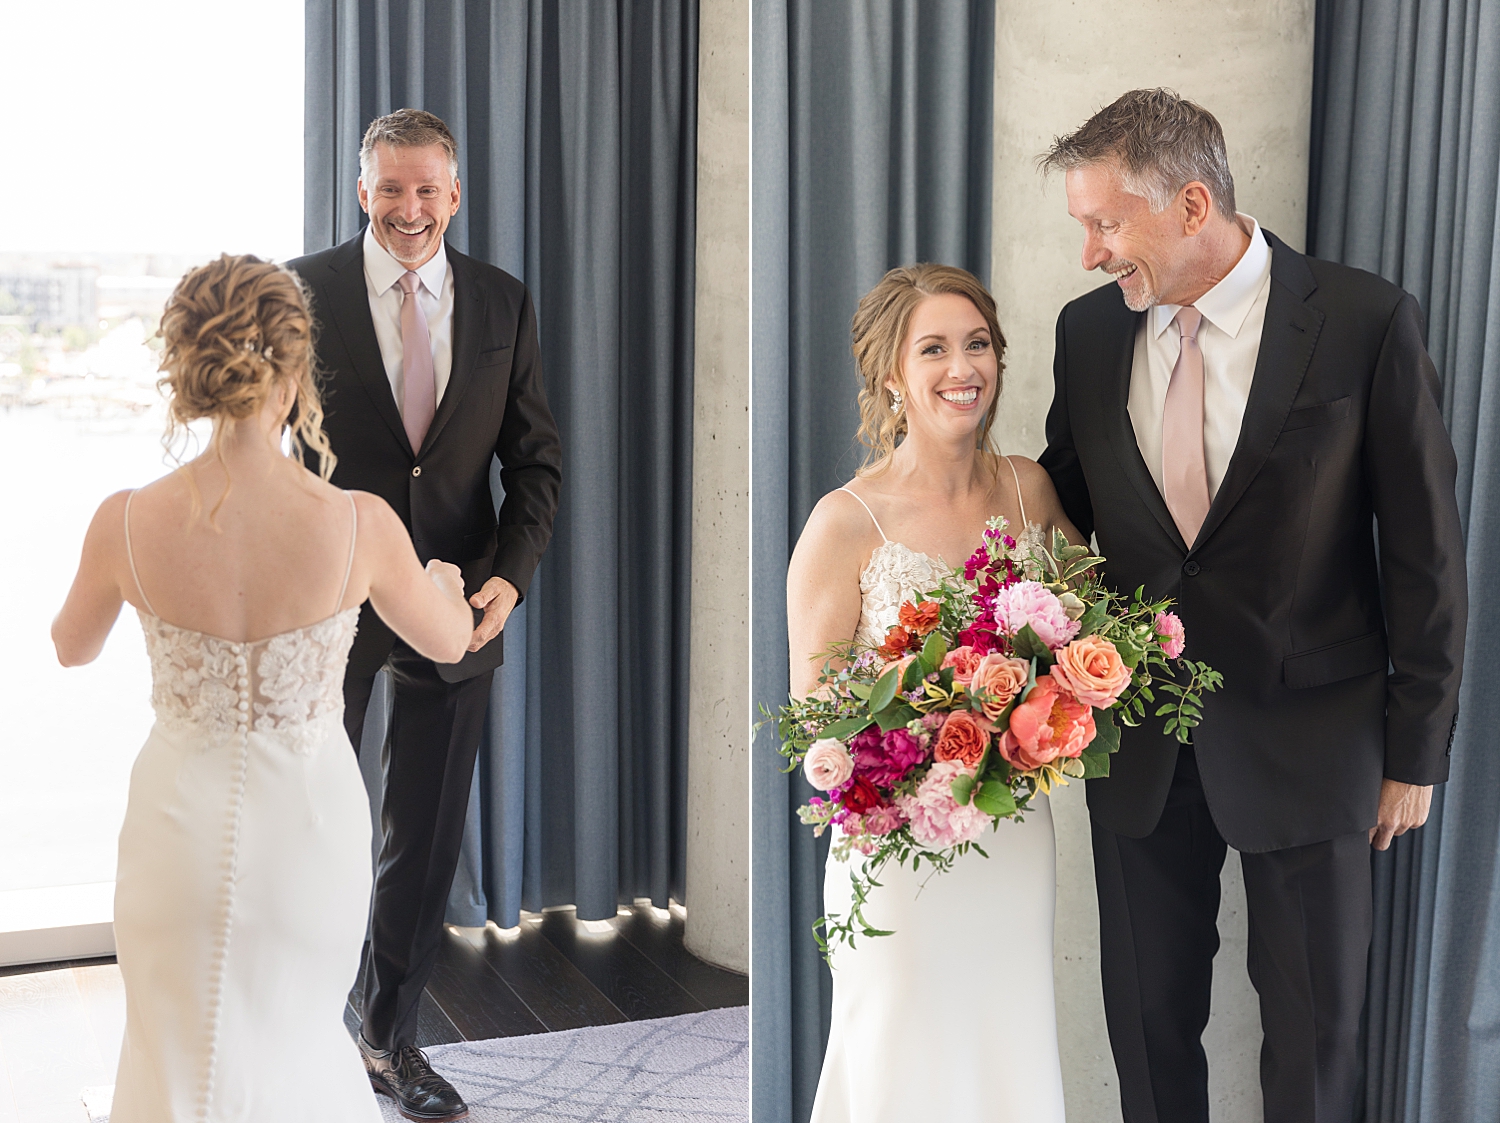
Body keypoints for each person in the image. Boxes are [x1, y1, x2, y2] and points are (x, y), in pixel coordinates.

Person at [1038, 89, 1467, 1123]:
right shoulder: (1089, 335)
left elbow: (1425, 555)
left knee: (1317, 1049)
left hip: (1318, 746)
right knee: (1147, 1036)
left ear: (1192, 206)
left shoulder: (1365, 321)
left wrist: (1416, 749)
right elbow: (1064, 517)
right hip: (1136, 743)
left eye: (1106, 223)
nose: (1092, 253)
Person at [50, 255, 474, 1122]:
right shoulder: (359, 523)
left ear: (190, 374)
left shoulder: (124, 520)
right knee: (295, 1042)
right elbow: (450, 639)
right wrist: (444, 583)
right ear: (294, 373)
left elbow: (70, 647)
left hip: (173, 830)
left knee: (172, 1050)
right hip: (308, 835)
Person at [287, 108, 561, 1121]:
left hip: (458, 603)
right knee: (310, 819)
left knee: (427, 833)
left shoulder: (502, 301)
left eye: (427, 190)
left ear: (455, 194)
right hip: (328, 603)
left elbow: (535, 462)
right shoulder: (299, 293)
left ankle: (388, 1039)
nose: (410, 209)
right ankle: (294, 1027)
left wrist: (511, 577)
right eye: (390, 189)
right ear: (364, 191)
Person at [787, 264, 1079, 1122]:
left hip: (1015, 831)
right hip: (900, 846)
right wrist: (927, 711)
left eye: (978, 343)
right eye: (936, 349)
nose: (964, 367)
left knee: (1006, 1040)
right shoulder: (845, 520)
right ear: (892, 375)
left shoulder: (1030, 488)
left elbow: (1091, 625)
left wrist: (1053, 704)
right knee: (900, 1046)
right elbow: (815, 717)